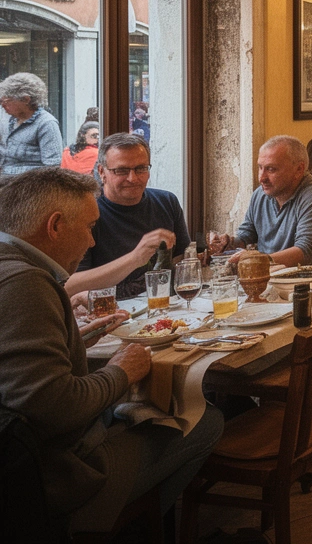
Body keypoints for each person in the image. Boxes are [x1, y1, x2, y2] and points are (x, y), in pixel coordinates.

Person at [0, 167, 223, 533]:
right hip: (58, 478)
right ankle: (124, 530)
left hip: (27, 464)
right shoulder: (26, 282)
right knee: (206, 421)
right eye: (89, 228)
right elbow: (55, 408)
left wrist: (74, 340)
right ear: (54, 226)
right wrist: (121, 372)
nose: (91, 242)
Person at [66, 133, 191, 299]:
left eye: (141, 169)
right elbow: (69, 285)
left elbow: (181, 260)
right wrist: (135, 258)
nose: (133, 178)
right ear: (102, 172)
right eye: (121, 171)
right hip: (108, 310)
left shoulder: (167, 201)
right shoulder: (86, 212)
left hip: (164, 307)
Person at [209, 135, 312, 267]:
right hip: (272, 276)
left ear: (299, 170)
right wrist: (227, 243)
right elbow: (247, 235)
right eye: (260, 167)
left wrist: (259, 259)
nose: (262, 178)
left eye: (271, 169)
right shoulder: (260, 194)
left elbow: (305, 252)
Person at [0, 72, 63, 174]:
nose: (2, 105)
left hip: (27, 182)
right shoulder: (7, 120)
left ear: (26, 99)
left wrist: (10, 173)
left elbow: (52, 168)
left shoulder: (46, 124)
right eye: (0, 101)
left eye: (6, 101)